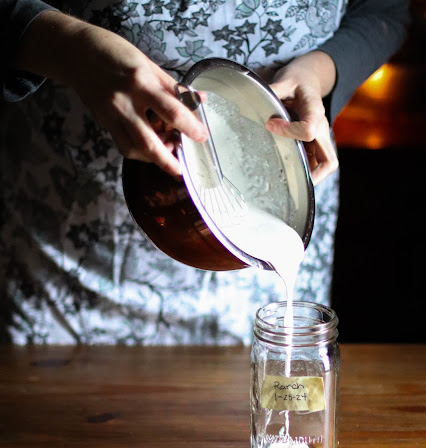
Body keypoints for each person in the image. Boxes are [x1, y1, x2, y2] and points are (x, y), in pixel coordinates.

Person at [0, 0, 409, 344]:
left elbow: (388, 8)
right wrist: (73, 50)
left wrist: (319, 72)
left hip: (269, 223)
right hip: (73, 251)